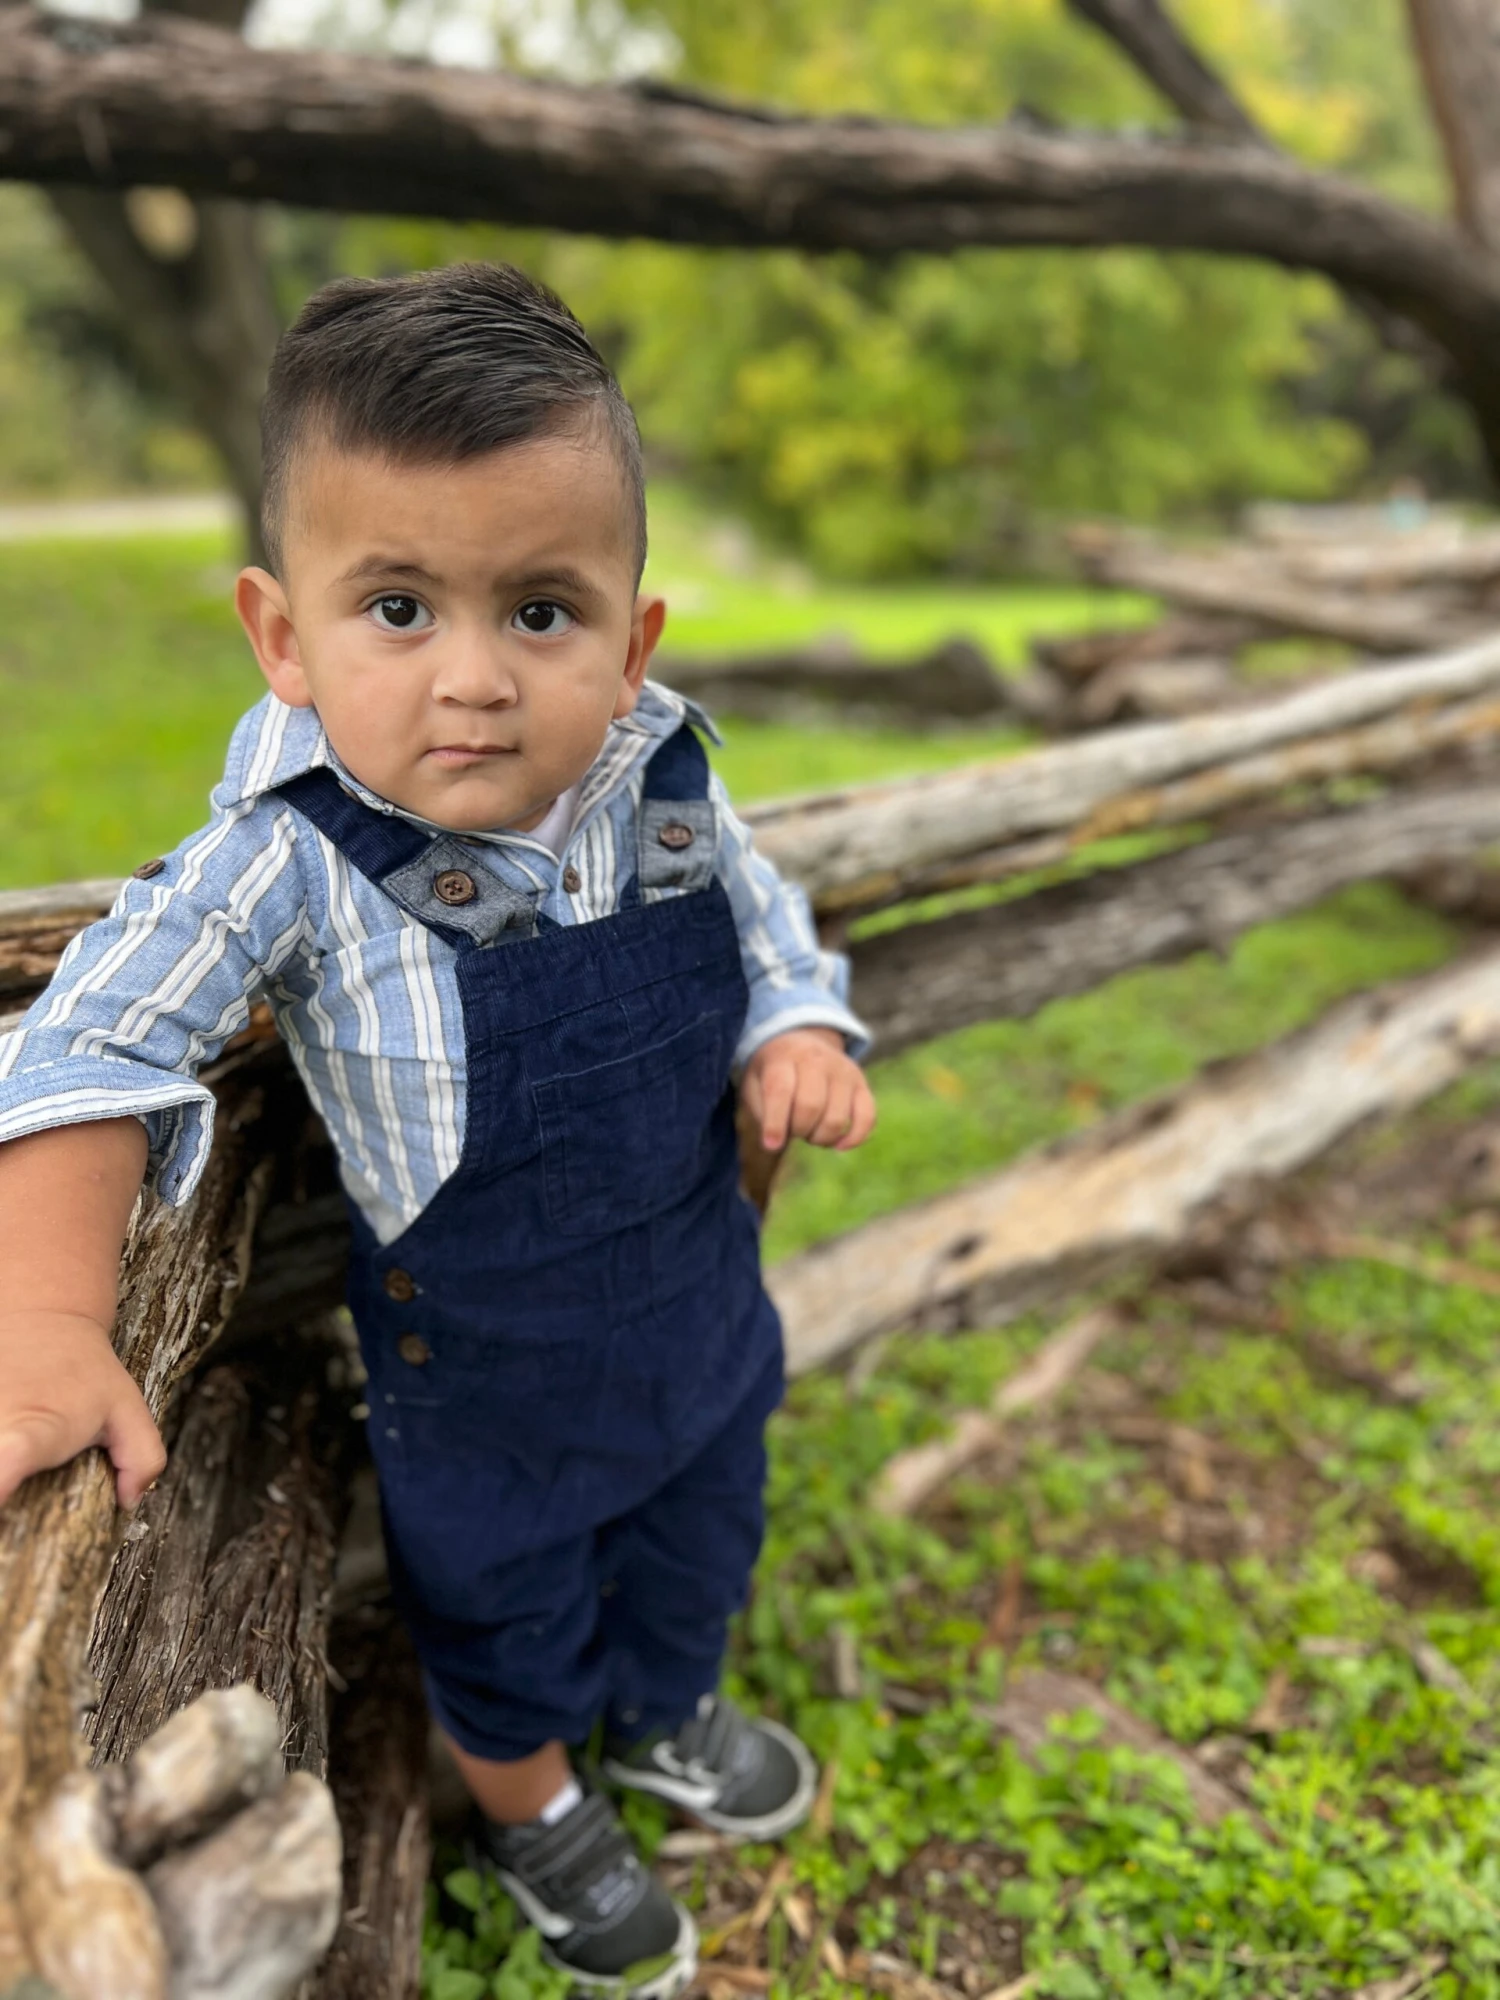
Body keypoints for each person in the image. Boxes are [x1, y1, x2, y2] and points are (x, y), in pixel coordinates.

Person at [0, 263, 875, 1997]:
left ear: (631, 644)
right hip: (484, 1370)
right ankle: (540, 1807)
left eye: (539, 613)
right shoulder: (288, 856)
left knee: (706, 1525)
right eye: (397, 608)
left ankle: (672, 1707)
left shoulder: (662, 774)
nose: (472, 682)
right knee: (503, 1605)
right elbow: (84, 1040)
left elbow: (766, 916)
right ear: (281, 634)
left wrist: (795, 1022)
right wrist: (43, 1317)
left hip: (695, 1309)